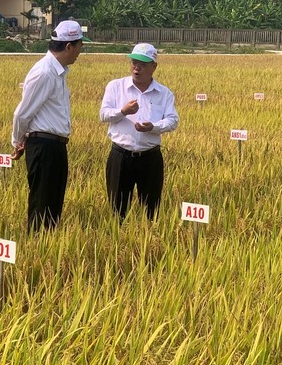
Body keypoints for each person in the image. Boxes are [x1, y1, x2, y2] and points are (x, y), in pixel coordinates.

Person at [11, 20, 89, 232]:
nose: (80, 52)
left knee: (53, 206)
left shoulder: (58, 72)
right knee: (42, 206)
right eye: (80, 47)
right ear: (69, 46)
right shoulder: (45, 72)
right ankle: (37, 249)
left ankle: (46, 244)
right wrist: (17, 142)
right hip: (43, 146)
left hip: (55, 147)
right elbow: (22, 113)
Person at [100, 43, 179, 220]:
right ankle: (118, 240)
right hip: (120, 156)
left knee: (151, 210)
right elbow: (103, 114)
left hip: (150, 158)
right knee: (117, 209)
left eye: (143, 64)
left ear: (154, 66)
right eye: (134, 62)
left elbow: (173, 121)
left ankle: (149, 239)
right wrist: (123, 112)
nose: (137, 67)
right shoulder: (116, 86)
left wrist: (153, 127)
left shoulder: (164, 93)